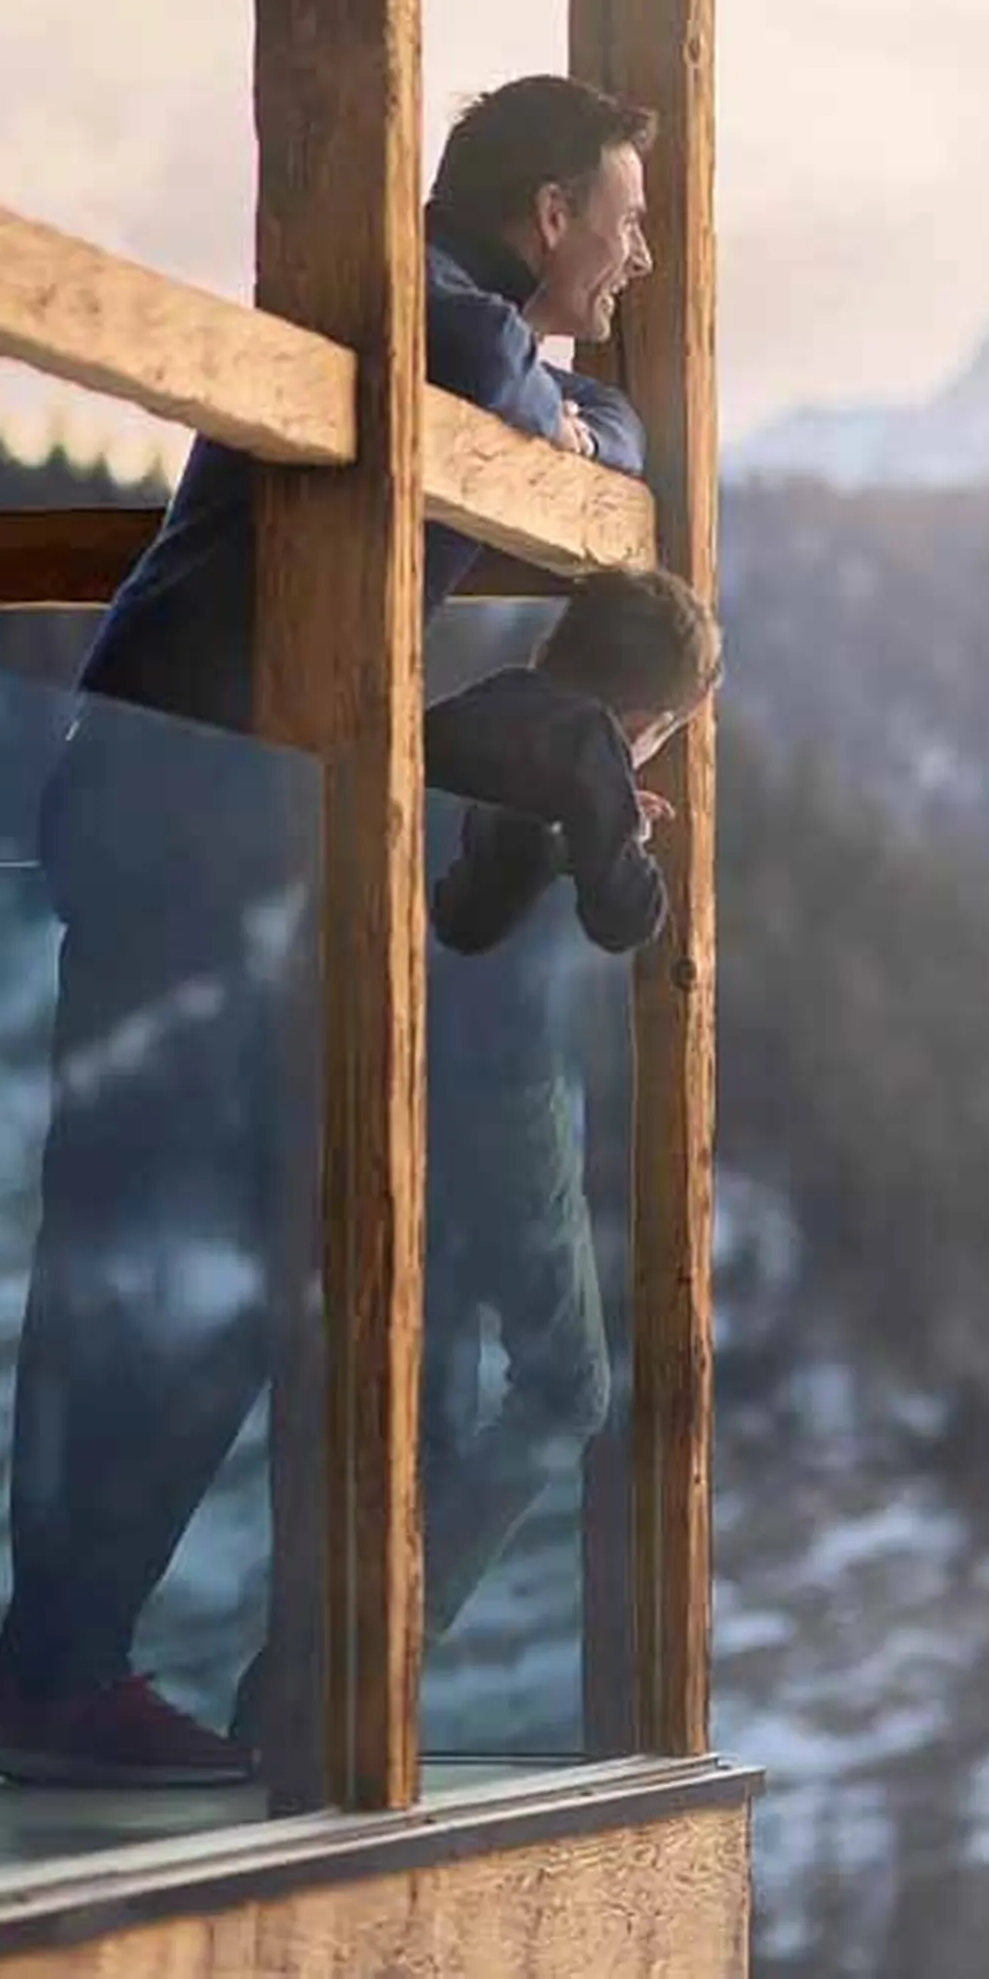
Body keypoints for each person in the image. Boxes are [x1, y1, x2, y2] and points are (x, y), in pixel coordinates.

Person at [0, 78, 660, 1788]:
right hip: (188, 805)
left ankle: (57, 1664)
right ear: (549, 215)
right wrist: (561, 424)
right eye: (625, 217)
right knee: (168, 1251)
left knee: (192, 1250)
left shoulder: (458, 324)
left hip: (206, 808)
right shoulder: (435, 313)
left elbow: (618, 440)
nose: (640, 254)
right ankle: (59, 1671)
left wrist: (573, 428)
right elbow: (547, 412)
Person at [224, 567, 722, 1756]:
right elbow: (625, 918)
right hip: (502, 1089)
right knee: (565, 1387)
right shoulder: (589, 746)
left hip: (387, 1075)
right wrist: (620, 828)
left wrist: (587, 824)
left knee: (423, 1404)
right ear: (652, 712)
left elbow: (472, 887)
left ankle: (302, 1702)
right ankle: (354, 1669)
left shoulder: (468, 714)